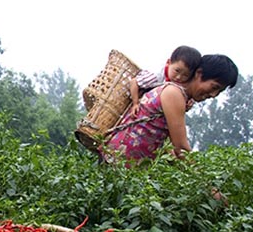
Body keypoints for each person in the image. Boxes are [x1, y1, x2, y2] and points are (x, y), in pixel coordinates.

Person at [100, 54, 238, 164]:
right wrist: (209, 186)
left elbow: (167, 144)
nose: (213, 95)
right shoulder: (174, 93)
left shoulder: (179, 95)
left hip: (122, 164)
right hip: (117, 163)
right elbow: (180, 147)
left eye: (219, 92)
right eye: (214, 87)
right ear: (199, 73)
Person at [129, 45, 202, 116]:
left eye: (185, 75)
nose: (179, 77)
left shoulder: (180, 84)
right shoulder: (156, 75)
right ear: (169, 62)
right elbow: (134, 82)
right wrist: (135, 103)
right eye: (177, 71)